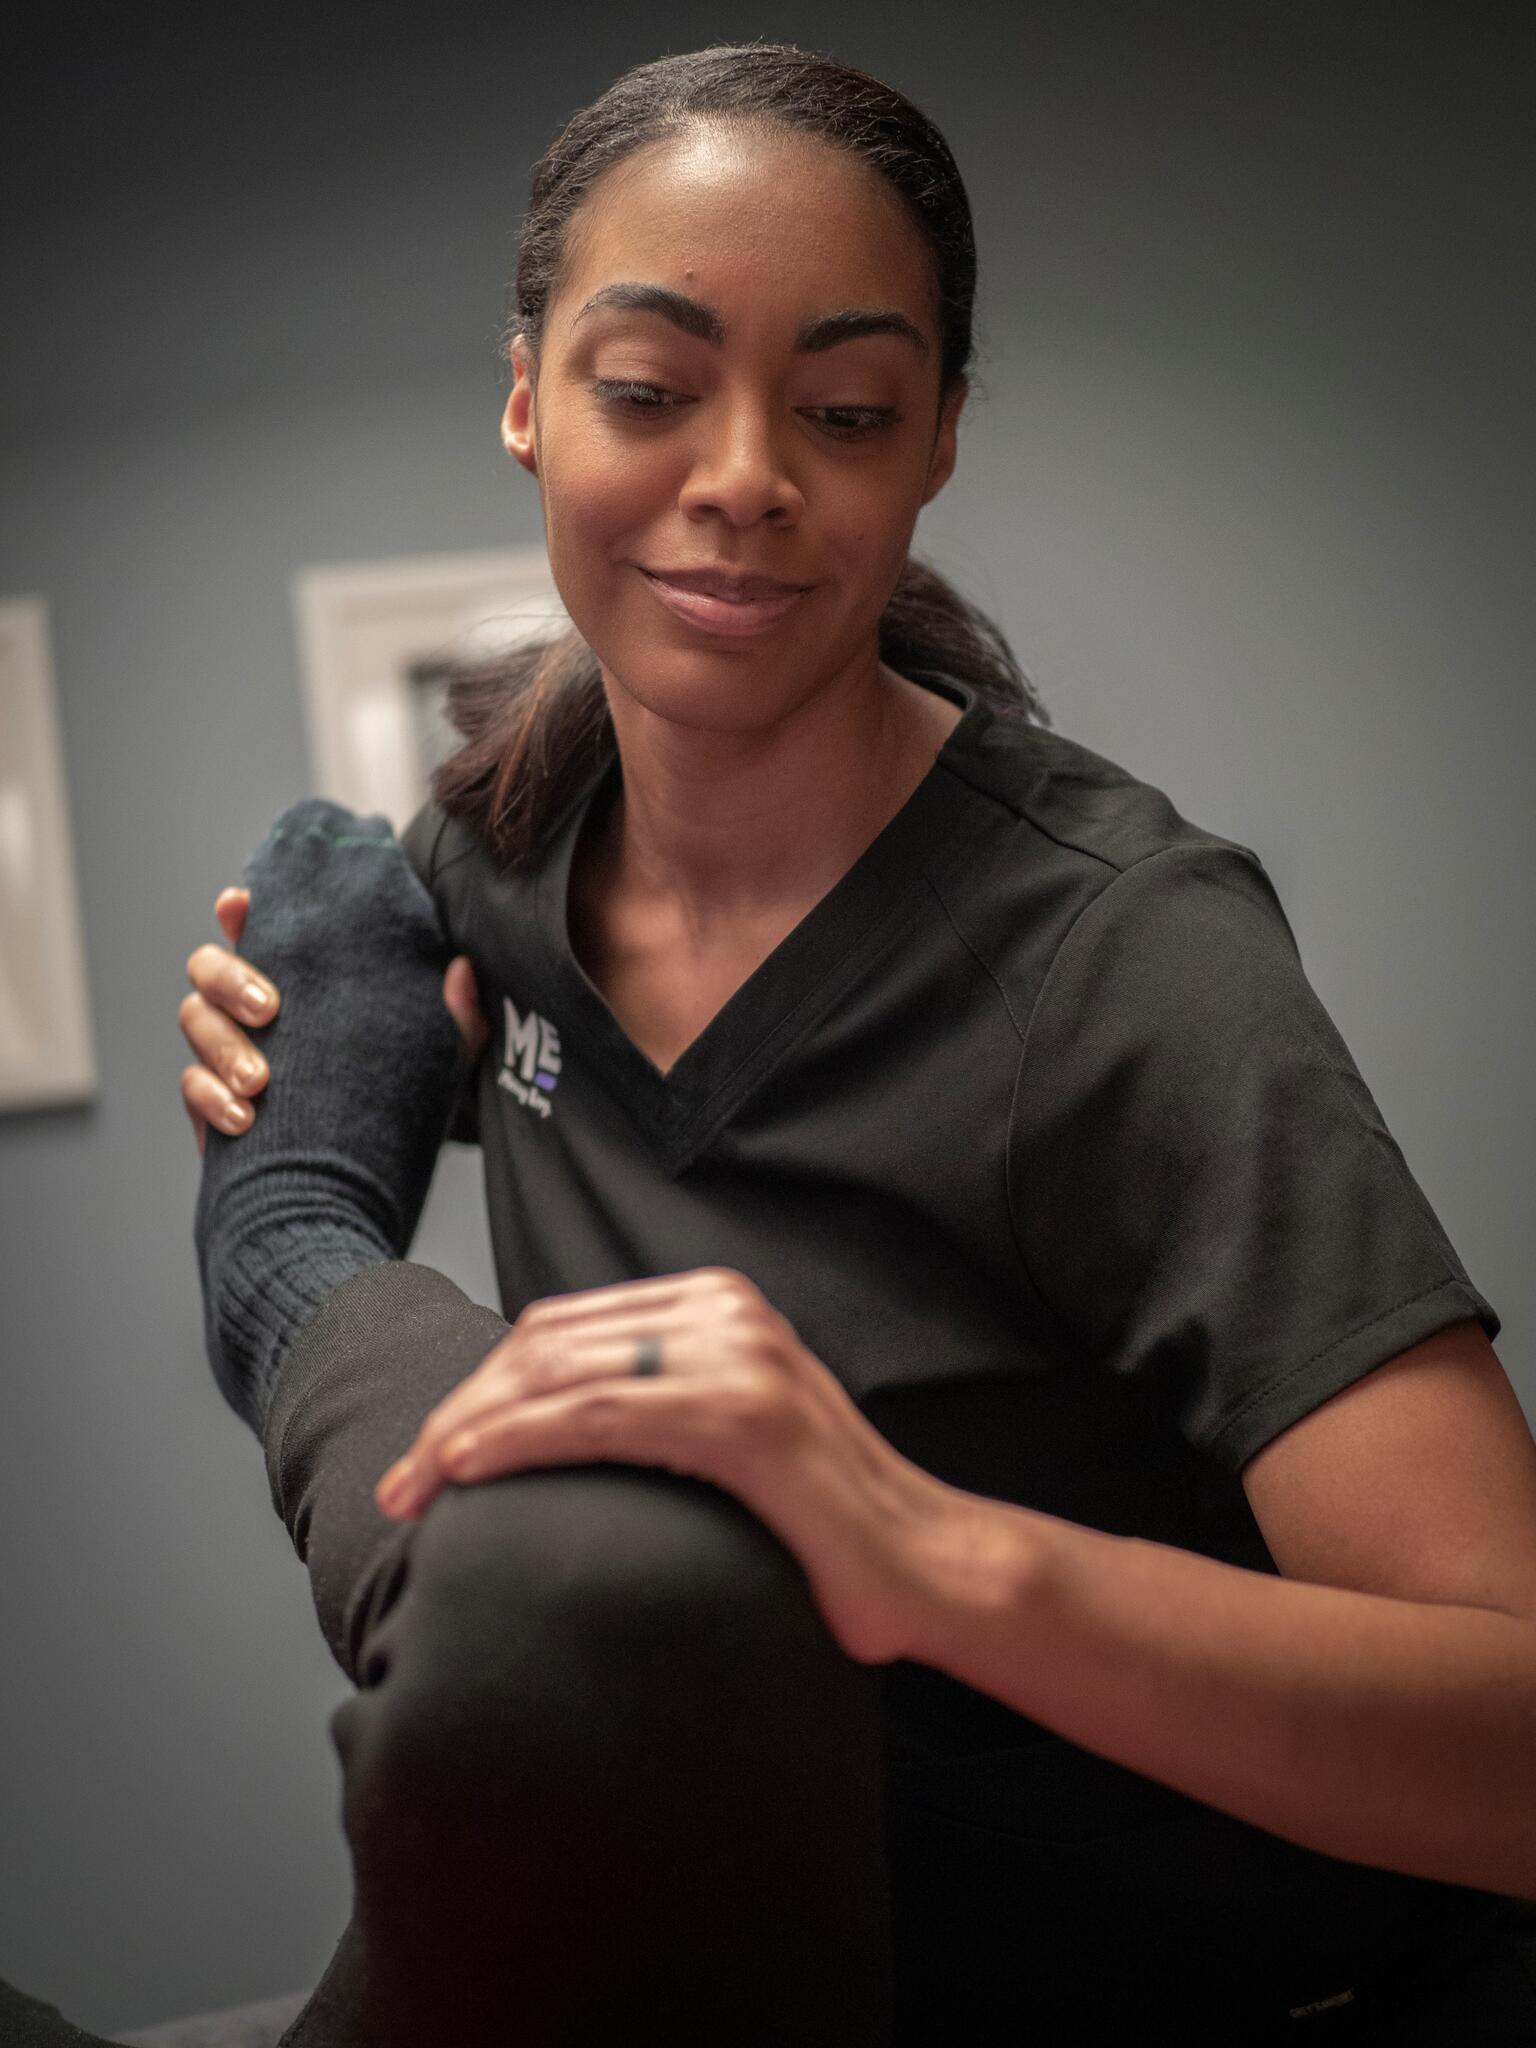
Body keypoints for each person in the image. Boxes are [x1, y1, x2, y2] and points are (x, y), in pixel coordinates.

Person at [164, 39, 1536, 2048]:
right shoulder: (503, 862)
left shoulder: (1121, 962)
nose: (743, 475)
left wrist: (927, 1553)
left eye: (848, 410)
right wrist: (298, 1038)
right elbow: (496, 1049)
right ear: (529, 397)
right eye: (650, 389)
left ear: (939, 440)